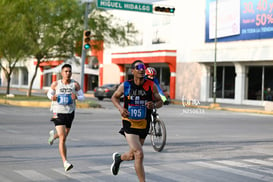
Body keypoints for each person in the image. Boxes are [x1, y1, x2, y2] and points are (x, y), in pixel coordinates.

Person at [111, 60, 163, 182]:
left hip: (144, 124)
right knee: (139, 153)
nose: (141, 69)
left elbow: (160, 102)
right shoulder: (126, 85)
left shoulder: (151, 85)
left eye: (143, 67)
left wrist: (154, 105)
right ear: (132, 71)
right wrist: (120, 108)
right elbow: (114, 97)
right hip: (129, 123)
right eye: (138, 67)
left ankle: (119, 158)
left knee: (132, 155)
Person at [47, 64, 85, 172]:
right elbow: (49, 94)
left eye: (69, 71)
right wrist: (52, 97)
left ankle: (53, 136)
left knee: (64, 135)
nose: (68, 73)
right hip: (57, 112)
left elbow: (83, 97)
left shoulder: (75, 85)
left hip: (70, 113)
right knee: (63, 138)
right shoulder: (56, 84)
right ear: (62, 73)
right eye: (66, 71)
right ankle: (65, 162)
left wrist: (77, 97)